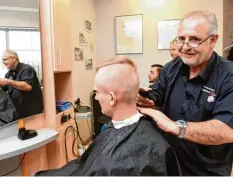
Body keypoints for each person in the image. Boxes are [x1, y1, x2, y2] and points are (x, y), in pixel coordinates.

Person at [35, 56, 181, 176]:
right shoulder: (143, 133)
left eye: (97, 92)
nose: (96, 98)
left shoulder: (125, 163)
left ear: (111, 98)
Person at [137, 10, 233, 176]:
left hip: (206, 171)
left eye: (194, 39)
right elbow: (157, 95)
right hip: (169, 164)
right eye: (181, 39)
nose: (185, 46)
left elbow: (227, 130)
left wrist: (174, 127)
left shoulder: (228, 75)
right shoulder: (171, 68)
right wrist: (145, 98)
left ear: (212, 40)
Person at [0, 50, 43, 118]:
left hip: (32, 111)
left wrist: (9, 82)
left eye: (5, 59)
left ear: (13, 58)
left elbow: (27, 86)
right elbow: (5, 89)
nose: (3, 62)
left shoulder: (27, 69)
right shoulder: (8, 74)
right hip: (18, 112)